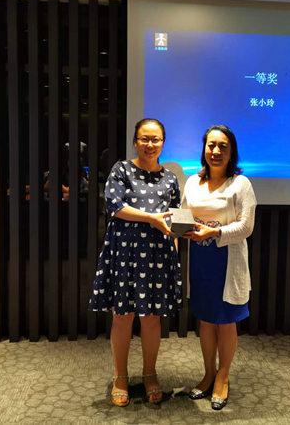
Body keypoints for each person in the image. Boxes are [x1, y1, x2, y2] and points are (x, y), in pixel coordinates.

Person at [88, 118, 182, 407]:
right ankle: (120, 376)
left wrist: (174, 255)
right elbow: (115, 207)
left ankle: (150, 374)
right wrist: (151, 218)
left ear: (163, 143)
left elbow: (175, 219)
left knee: (152, 318)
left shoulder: (171, 178)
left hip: (158, 256)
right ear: (135, 141)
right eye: (144, 138)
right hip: (125, 254)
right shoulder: (121, 169)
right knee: (122, 316)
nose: (150, 144)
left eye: (155, 139)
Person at [182, 125, 257, 411]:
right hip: (200, 261)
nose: (216, 151)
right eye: (211, 145)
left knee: (226, 322)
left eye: (223, 146)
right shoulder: (192, 182)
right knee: (205, 320)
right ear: (204, 149)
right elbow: (183, 215)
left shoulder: (241, 184)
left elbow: (246, 227)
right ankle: (208, 374)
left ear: (231, 151)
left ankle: (223, 377)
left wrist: (214, 232)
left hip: (227, 262)